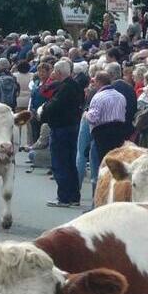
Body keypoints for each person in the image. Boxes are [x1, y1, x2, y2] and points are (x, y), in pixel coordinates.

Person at [39, 60, 83, 207]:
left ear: (58, 72)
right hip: (73, 126)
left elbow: (54, 106)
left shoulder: (64, 88)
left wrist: (43, 110)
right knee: (71, 163)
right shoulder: (76, 85)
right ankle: (74, 196)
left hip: (61, 128)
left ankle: (64, 197)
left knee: (61, 163)